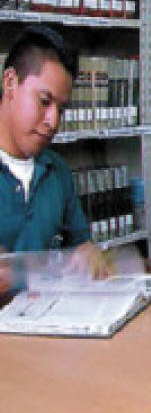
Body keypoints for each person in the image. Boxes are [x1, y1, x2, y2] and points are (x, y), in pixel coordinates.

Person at [0, 25, 108, 290]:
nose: (54, 121)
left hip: (48, 320)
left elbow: (82, 246)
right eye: (44, 101)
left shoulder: (57, 170)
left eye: (62, 108)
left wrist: (90, 256)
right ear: (10, 82)